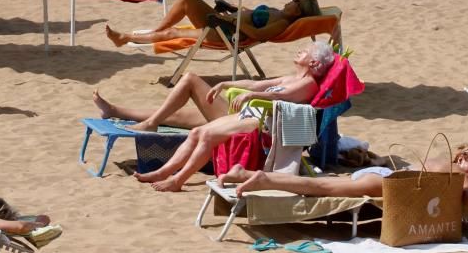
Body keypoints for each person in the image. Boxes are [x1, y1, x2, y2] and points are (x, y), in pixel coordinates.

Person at [94, 42, 336, 191]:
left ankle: (178, 181)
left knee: (207, 133)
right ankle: (163, 172)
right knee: (198, 131)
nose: (299, 50)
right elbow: (256, 82)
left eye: (304, 51)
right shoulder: (291, 77)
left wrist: (251, 96)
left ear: (313, 62)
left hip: (261, 123)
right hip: (249, 114)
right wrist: (226, 84)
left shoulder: (307, 85)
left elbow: (277, 98)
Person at [218, 144, 468, 207]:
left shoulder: (441, 161)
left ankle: (244, 174)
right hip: (385, 183)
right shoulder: (459, 172)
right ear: (463, 158)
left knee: (320, 184)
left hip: (382, 175)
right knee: (320, 188)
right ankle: (262, 179)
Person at [105, 0, 322, 48]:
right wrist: (233, 10)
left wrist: (230, 20)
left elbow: (257, 35)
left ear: (297, 12)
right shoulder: (279, 12)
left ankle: (124, 38)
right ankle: (154, 30)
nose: (292, 0)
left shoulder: (282, 23)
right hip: (225, 22)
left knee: (174, 34)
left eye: (296, 1)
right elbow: (250, 15)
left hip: (228, 33)